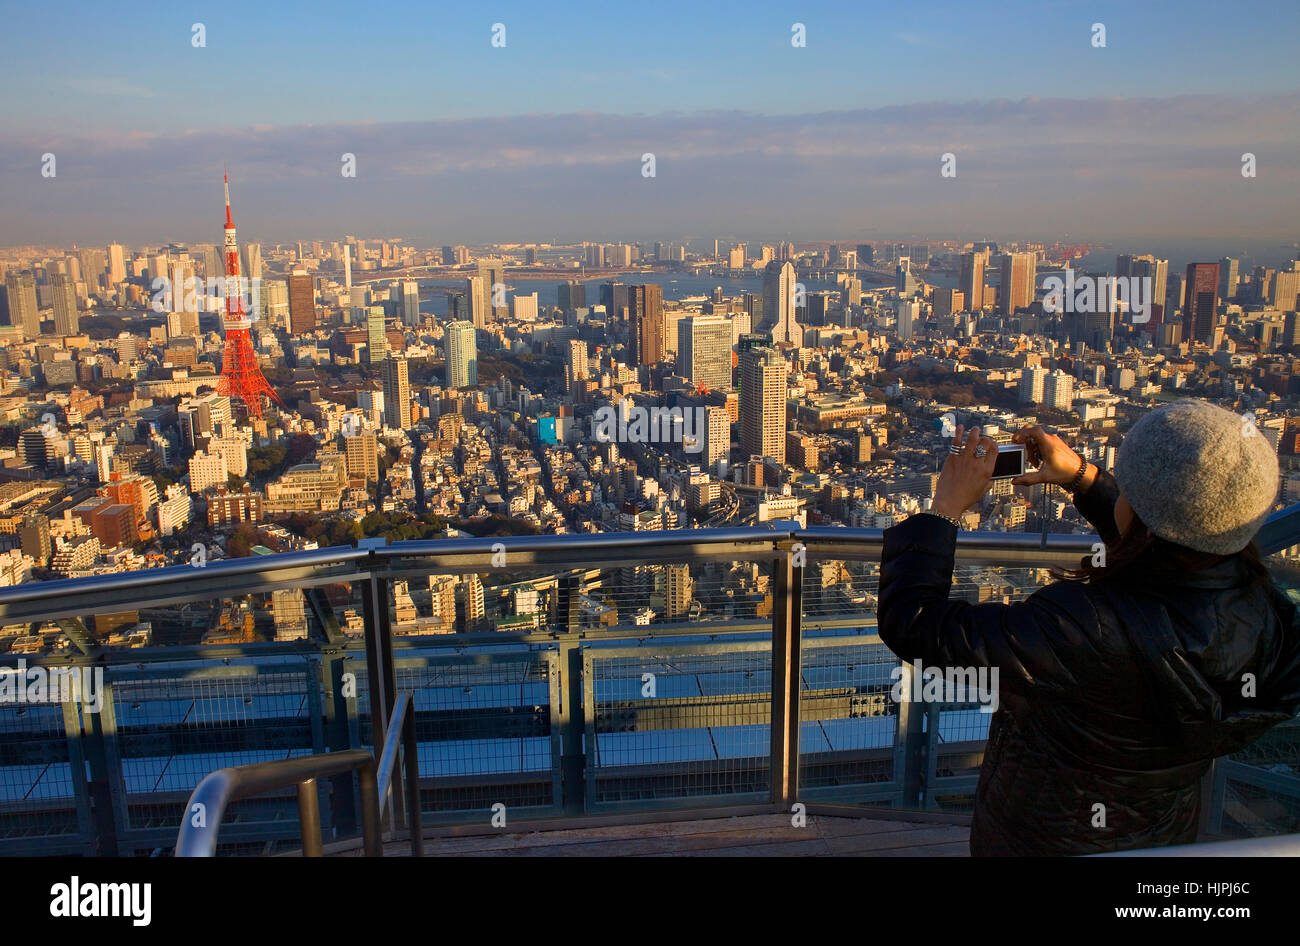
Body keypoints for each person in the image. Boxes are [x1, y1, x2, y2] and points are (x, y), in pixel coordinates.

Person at [877, 399, 1300, 855]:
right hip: (1160, 835)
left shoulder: (1083, 626)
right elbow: (1173, 553)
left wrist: (944, 510)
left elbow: (916, 625)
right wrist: (1085, 478)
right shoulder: (1267, 617)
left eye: (1130, 493)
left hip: (1042, 835)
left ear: (1142, 517)